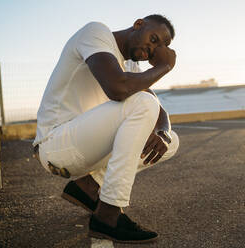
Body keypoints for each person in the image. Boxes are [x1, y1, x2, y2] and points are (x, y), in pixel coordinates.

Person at [32, 14, 179, 244]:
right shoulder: (96, 34)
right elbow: (117, 88)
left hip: (87, 147)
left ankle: (88, 186)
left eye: (160, 47)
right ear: (138, 24)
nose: (153, 49)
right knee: (143, 103)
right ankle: (108, 216)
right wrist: (165, 66)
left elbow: (161, 113)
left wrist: (164, 132)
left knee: (170, 142)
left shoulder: (131, 66)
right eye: (153, 39)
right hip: (56, 145)